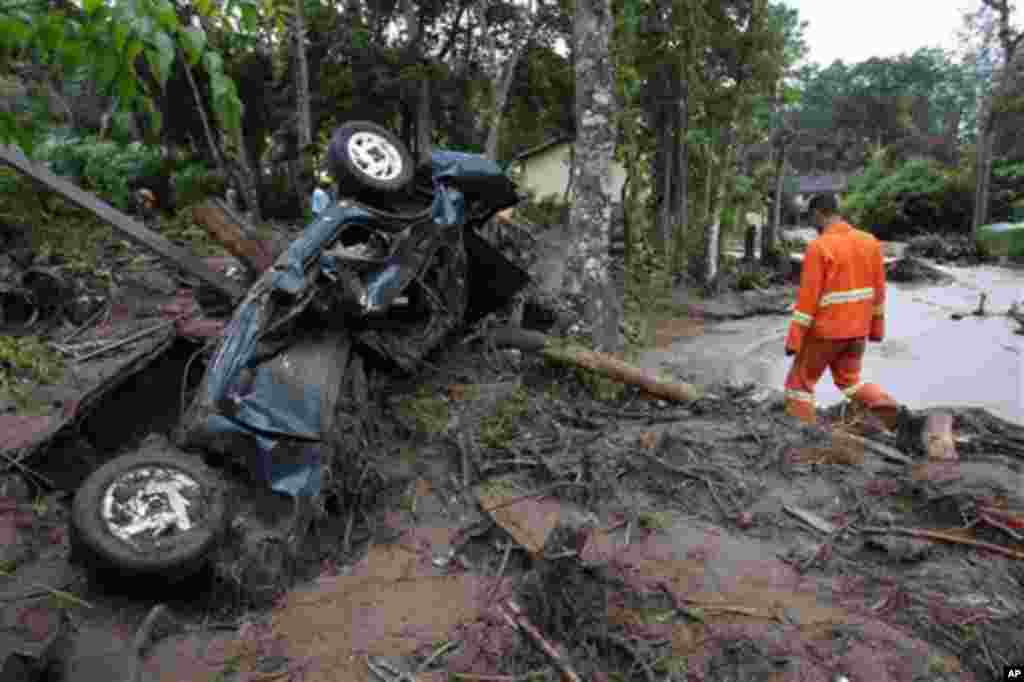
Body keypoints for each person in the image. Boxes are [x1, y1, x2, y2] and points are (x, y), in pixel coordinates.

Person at [783, 193, 901, 427]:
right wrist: (876, 330)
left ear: (818, 214)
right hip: (858, 332)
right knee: (850, 382)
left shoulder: (819, 247)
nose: (810, 224)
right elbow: (879, 292)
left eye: (810, 218)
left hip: (826, 333)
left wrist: (794, 340)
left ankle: (801, 433)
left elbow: (807, 302)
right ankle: (888, 408)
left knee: (799, 383)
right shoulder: (870, 242)